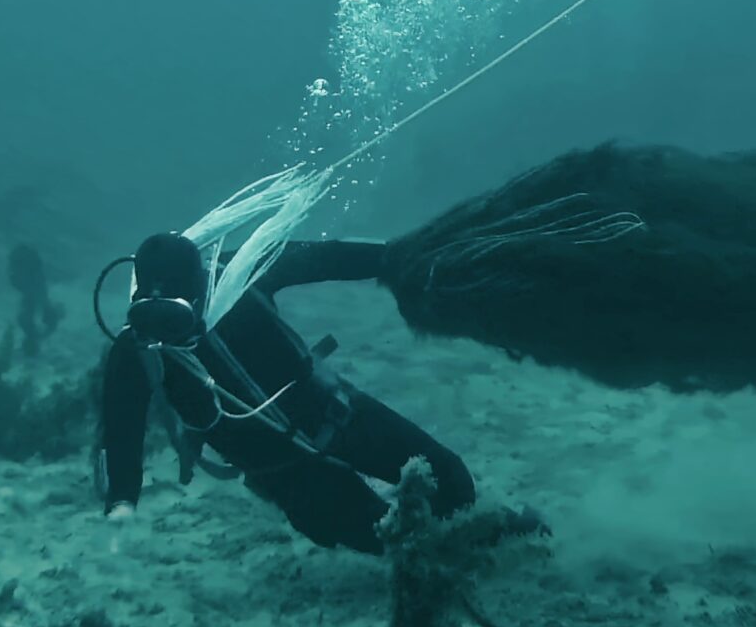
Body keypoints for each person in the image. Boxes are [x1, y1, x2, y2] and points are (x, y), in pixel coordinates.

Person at [96, 231, 519, 554]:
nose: (167, 325)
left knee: (451, 479)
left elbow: (324, 257)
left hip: (340, 414)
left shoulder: (243, 274)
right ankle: (455, 556)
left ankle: (508, 539)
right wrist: (122, 501)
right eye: (152, 312)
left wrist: (395, 258)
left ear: (203, 285)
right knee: (393, 539)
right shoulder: (136, 347)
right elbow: (122, 426)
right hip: (285, 473)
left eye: (176, 311)